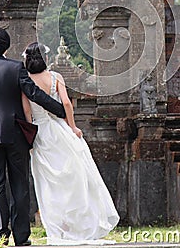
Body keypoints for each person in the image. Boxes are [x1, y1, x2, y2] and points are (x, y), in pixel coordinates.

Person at [0, 27, 67, 247]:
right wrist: (61, 111)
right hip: (14, 132)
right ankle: (21, 236)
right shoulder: (15, 68)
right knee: (20, 183)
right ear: (6, 45)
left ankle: (0, 233)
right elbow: (35, 94)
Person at [21, 42, 120, 246]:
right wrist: (73, 127)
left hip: (40, 134)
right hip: (60, 130)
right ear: (45, 58)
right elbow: (66, 103)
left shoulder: (25, 81)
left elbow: (27, 112)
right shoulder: (56, 77)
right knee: (75, 176)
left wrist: (30, 137)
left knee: (48, 182)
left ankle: (57, 227)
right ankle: (78, 224)